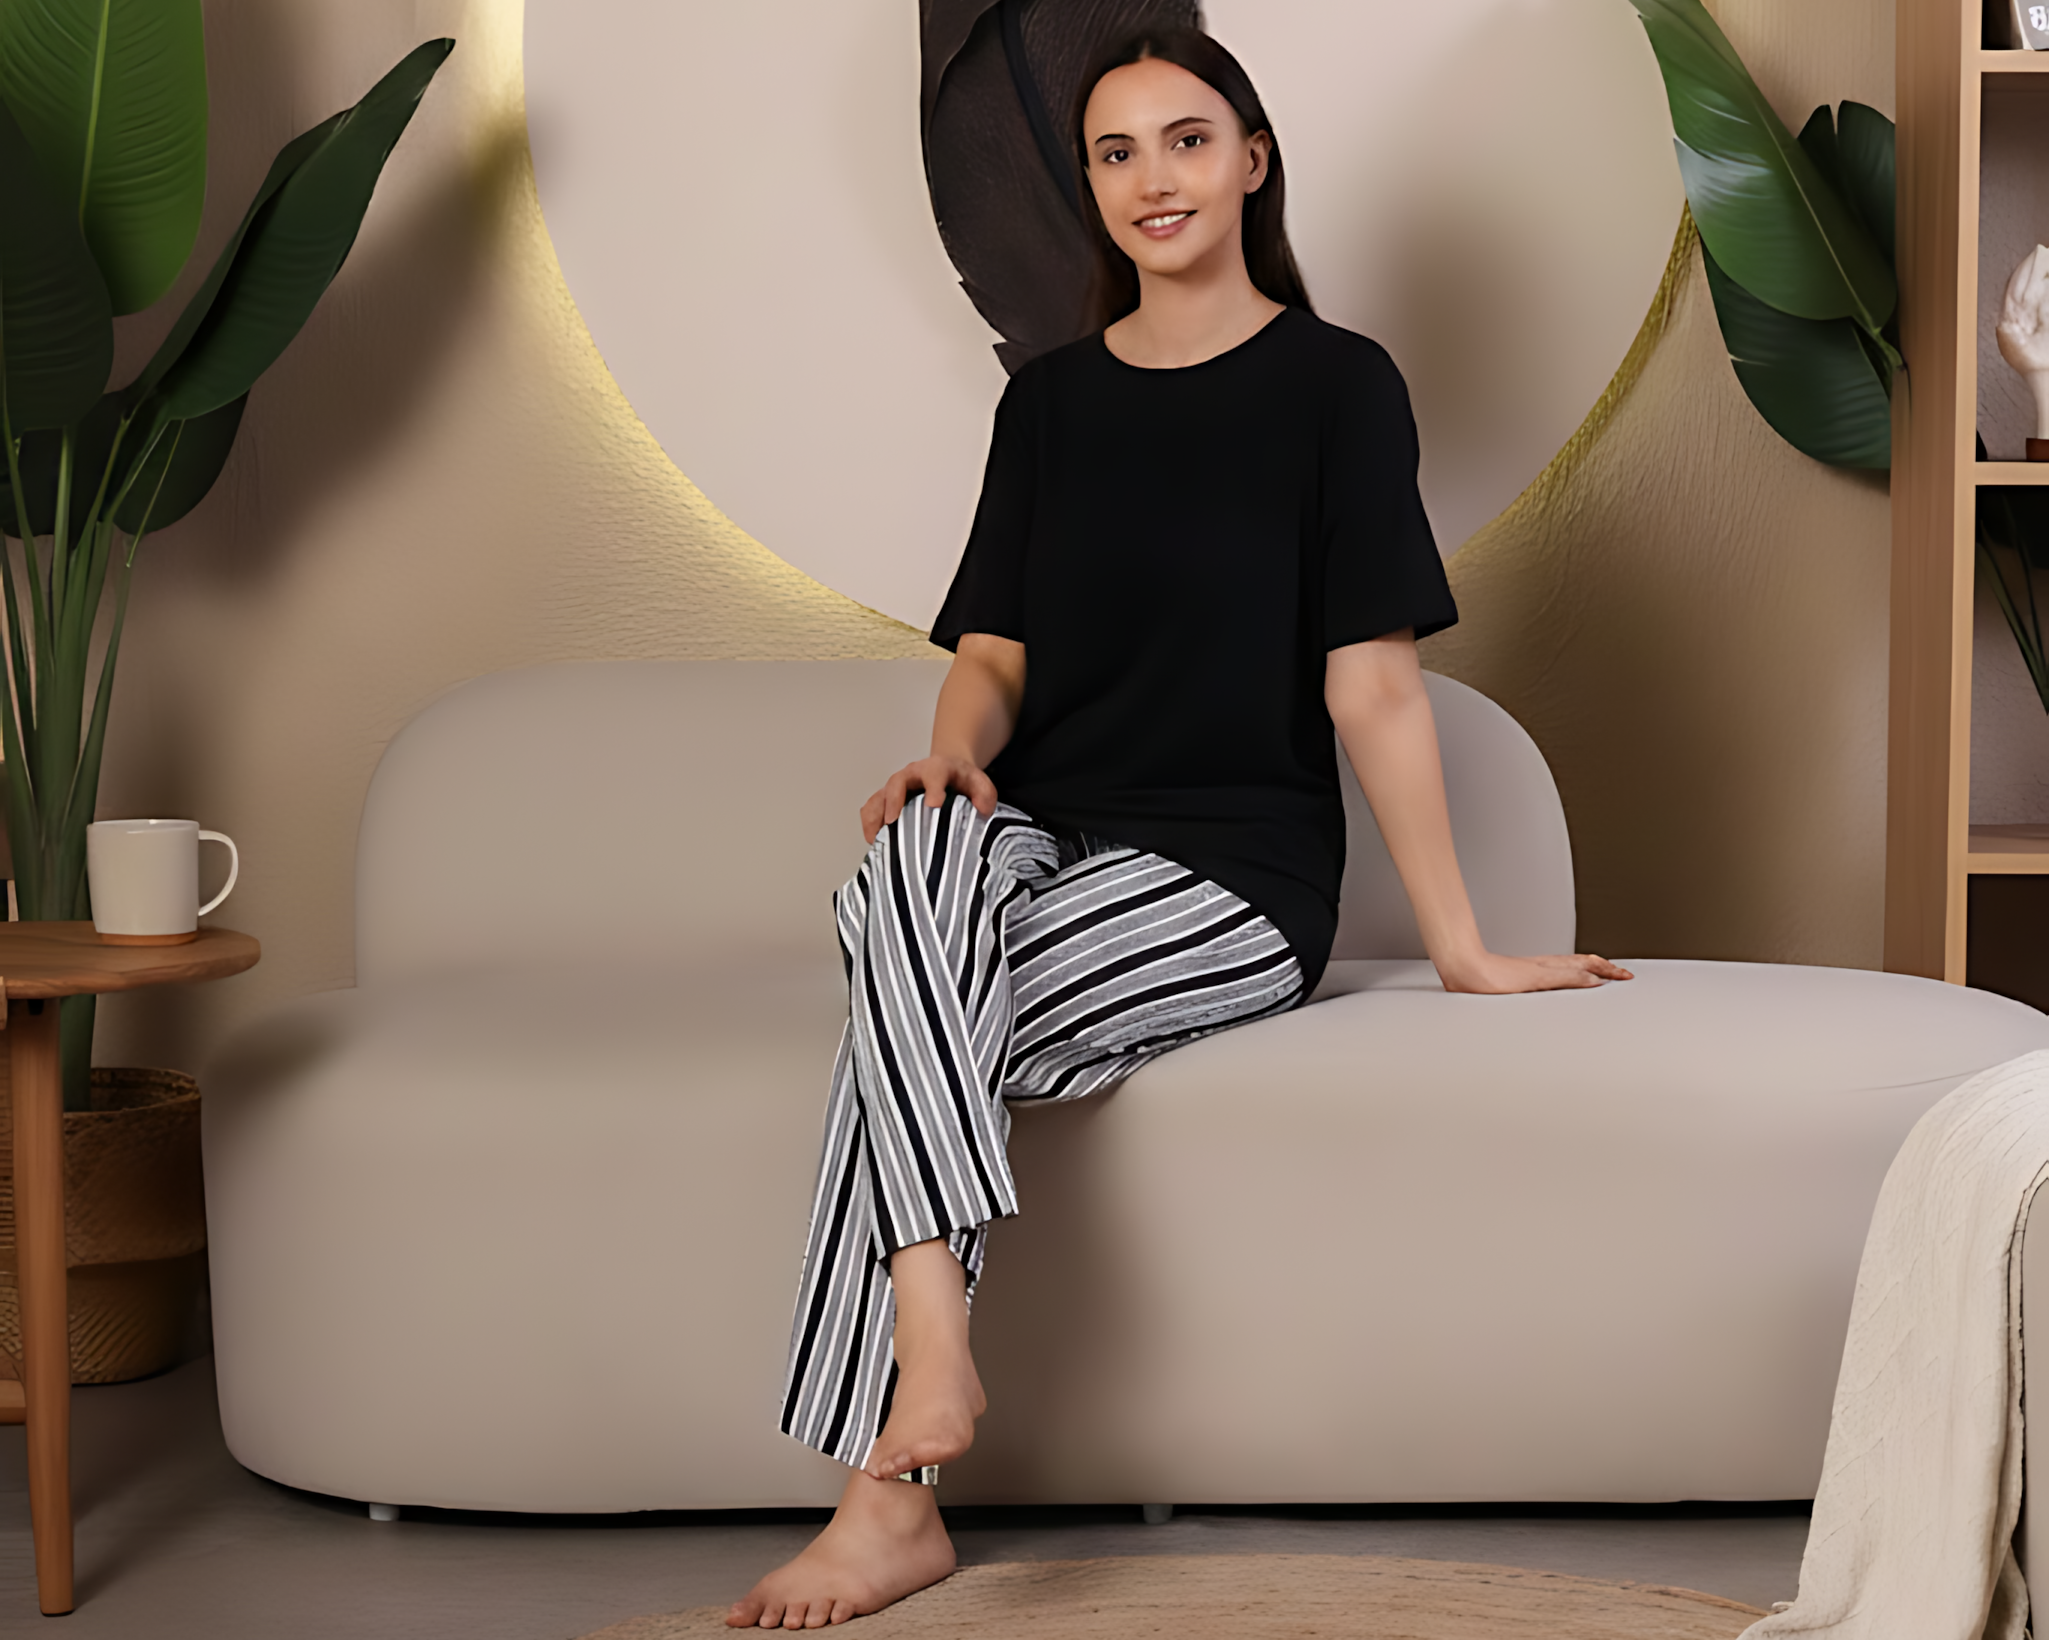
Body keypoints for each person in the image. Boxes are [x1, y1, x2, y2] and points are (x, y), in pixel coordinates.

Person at [728, 25, 1633, 1630]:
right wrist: (950, 761)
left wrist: (1461, 946)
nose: (1155, 179)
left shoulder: (1338, 389)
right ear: (1089, 189)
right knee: (909, 861)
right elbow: (992, 657)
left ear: (1254, 158)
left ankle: (886, 1500)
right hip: (1040, 839)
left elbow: (1372, 693)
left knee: (899, 983)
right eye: (1117, 153)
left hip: (1230, 876)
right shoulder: (1052, 405)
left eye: (1188, 140)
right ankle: (931, 1323)